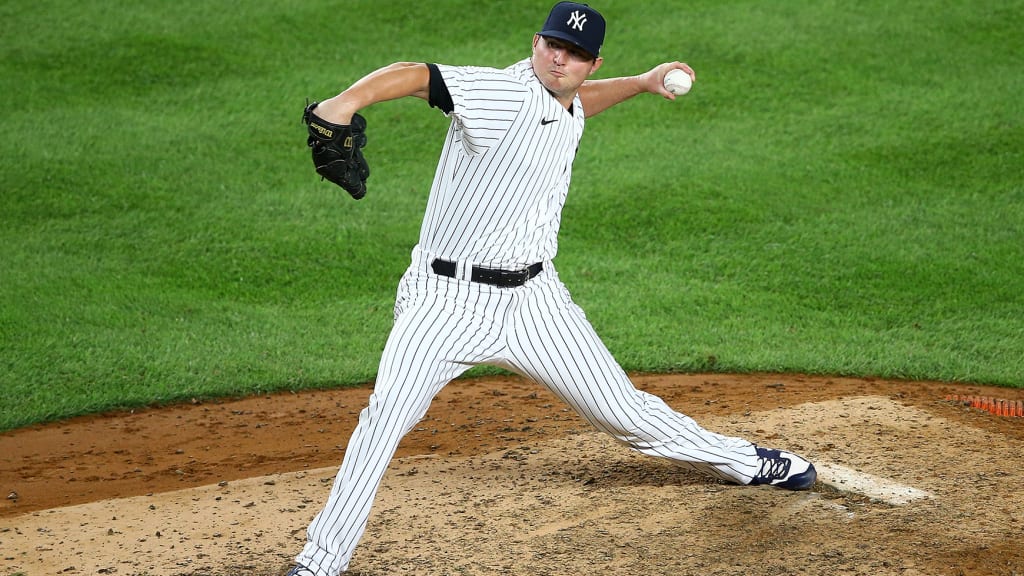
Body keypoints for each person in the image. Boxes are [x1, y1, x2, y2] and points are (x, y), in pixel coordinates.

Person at [288, 3, 816, 574]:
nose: (561, 60)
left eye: (576, 54)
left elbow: (577, 104)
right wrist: (342, 104)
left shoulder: (566, 98)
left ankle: (744, 461)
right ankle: (320, 562)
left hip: (536, 303)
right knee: (384, 421)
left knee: (626, 413)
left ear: (593, 64)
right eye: (553, 45)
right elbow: (417, 76)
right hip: (446, 302)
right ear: (536, 42)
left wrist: (641, 83)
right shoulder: (501, 93)